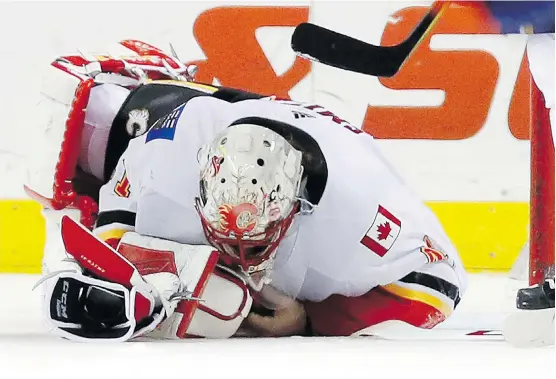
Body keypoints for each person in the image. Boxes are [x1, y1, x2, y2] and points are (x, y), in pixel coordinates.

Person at [31, 41, 467, 341]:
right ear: (199, 179)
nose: (239, 254)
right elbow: (116, 212)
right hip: (217, 112)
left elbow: (440, 287)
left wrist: (308, 321)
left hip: (328, 141)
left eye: (255, 242)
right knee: (74, 107)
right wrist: (115, 259)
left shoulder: (362, 209)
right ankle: (164, 77)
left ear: (298, 206)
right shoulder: (170, 146)